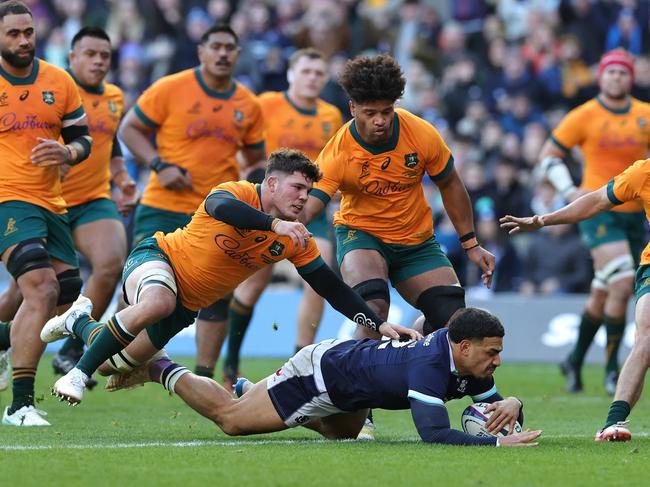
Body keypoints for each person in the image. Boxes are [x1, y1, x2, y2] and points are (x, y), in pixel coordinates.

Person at [41, 149, 419, 406]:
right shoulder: (236, 191)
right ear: (271, 183)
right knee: (158, 302)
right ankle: (76, 373)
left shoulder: (295, 239)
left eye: (309, 191)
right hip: (157, 259)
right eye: (297, 187)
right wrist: (275, 225)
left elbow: (331, 287)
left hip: (187, 306)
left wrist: (379, 324)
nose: (305, 198)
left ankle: (78, 321)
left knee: (113, 363)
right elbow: (221, 208)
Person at [107, 307, 541, 447]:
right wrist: (497, 442)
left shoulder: (466, 359)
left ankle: (253, 391)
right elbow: (434, 434)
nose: (497, 361)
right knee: (233, 421)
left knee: (344, 439)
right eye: (492, 352)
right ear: (464, 348)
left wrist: (514, 404)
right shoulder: (430, 365)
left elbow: (492, 402)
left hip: (352, 391)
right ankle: (158, 365)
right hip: (322, 375)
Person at [302, 54, 494, 339]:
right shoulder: (338, 152)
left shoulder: (421, 133)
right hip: (361, 235)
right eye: (370, 113)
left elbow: (451, 184)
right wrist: (278, 222)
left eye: (386, 111)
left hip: (415, 241)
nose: (379, 120)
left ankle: (413, 341)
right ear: (353, 107)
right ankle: (354, 381)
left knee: (453, 323)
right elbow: (310, 207)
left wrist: (471, 243)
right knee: (374, 308)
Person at [118, 24, 265, 381]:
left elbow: (257, 158)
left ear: (238, 54)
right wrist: (159, 165)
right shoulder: (171, 87)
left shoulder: (248, 104)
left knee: (217, 294)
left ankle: (203, 375)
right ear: (201, 51)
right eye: (215, 46)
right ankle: (118, 355)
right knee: (141, 282)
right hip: (162, 202)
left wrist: (253, 189)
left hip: (217, 211)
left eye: (230, 47)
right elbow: (129, 129)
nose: (222, 53)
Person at [0, 27, 137, 388]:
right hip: (41, 199)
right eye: (89, 54)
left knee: (109, 263)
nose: (98, 61)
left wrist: (122, 178)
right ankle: (4, 343)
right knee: (30, 289)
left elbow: (111, 143)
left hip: (92, 199)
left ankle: (73, 349)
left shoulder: (115, 96)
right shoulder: (51, 89)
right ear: (71, 57)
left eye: (104, 55)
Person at [501, 158, 650, 442]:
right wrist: (542, 219)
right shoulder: (644, 172)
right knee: (647, 337)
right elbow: (594, 201)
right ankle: (614, 422)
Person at [222, 48, 343, 387]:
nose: (313, 78)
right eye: (306, 71)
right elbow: (243, 144)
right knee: (256, 282)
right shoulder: (267, 105)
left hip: (309, 208)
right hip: (269, 207)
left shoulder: (330, 115)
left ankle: (300, 361)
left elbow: (331, 164)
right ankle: (231, 362)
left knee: (318, 274)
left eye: (319, 73)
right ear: (291, 74)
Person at [536, 49, 650, 394]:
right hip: (599, 212)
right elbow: (548, 156)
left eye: (623, 72)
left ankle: (574, 358)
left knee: (604, 289)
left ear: (631, 78)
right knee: (623, 280)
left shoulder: (646, 114)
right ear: (601, 77)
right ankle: (613, 367)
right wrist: (569, 189)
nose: (617, 78)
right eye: (611, 72)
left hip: (637, 216)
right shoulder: (583, 115)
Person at [0, 1, 92, 426]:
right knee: (40, 286)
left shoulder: (60, 81)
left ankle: (5, 338)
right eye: (13, 33)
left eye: (28, 32)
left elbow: (82, 139)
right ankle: (19, 404)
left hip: (52, 203)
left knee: (65, 297)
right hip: (7, 200)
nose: (23, 40)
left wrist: (68, 151)